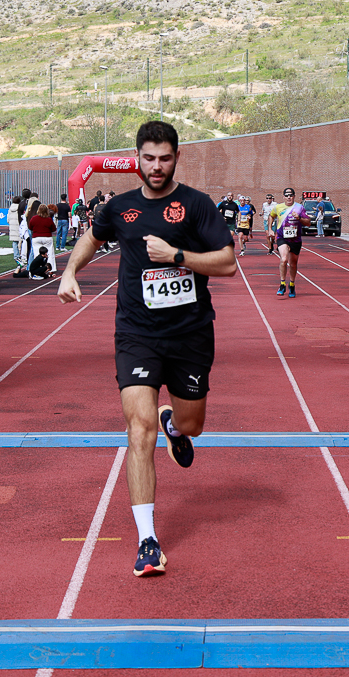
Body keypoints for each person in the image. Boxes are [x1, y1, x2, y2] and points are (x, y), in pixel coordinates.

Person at [57, 121, 236, 578]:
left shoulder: (196, 205)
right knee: (139, 430)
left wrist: (176, 256)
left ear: (176, 158)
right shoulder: (119, 207)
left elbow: (227, 263)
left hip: (191, 333)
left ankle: (175, 425)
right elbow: (91, 239)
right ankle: (148, 541)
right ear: (136, 158)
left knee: (193, 424)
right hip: (136, 334)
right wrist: (70, 272)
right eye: (149, 158)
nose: (157, 167)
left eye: (165, 158)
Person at [270, 187, 311, 298]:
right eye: (287, 195)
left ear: (294, 196)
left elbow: (308, 223)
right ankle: (282, 284)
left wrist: (299, 218)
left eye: (291, 195)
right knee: (284, 259)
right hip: (282, 237)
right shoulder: (278, 207)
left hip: (295, 239)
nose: (289, 197)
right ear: (283, 197)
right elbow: (271, 216)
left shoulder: (299, 207)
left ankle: (292, 285)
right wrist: (270, 229)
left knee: (293, 264)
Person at [29, 204, 58, 273]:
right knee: (50, 254)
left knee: (37, 254)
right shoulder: (48, 219)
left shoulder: (34, 218)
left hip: (36, 237)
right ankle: (51, 269)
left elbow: (30, 227)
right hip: (47, 237)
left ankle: (38, 269)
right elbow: (53, 229)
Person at [7, 196, 23, 267]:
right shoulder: (20, 208)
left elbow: (8, 219)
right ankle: (21, 254)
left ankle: (16, 255)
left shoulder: (10, 208)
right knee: (21, 240)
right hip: (19, 225)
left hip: (12, 226)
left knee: (14, 241)